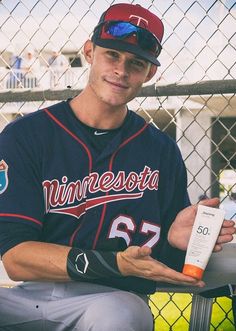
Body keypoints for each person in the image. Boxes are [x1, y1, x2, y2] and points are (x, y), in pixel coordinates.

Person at [0, 3, 235, 331]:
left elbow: (159, 263)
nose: (122, 70)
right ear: (89, 51)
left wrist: (175, 242)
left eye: (136, 63)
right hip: (28, 294)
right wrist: (115, 263)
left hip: (111, 298)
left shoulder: (161, 151)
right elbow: (16, 258)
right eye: (112, 55)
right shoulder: (26, 136)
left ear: (149, 73)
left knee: (122, 316)